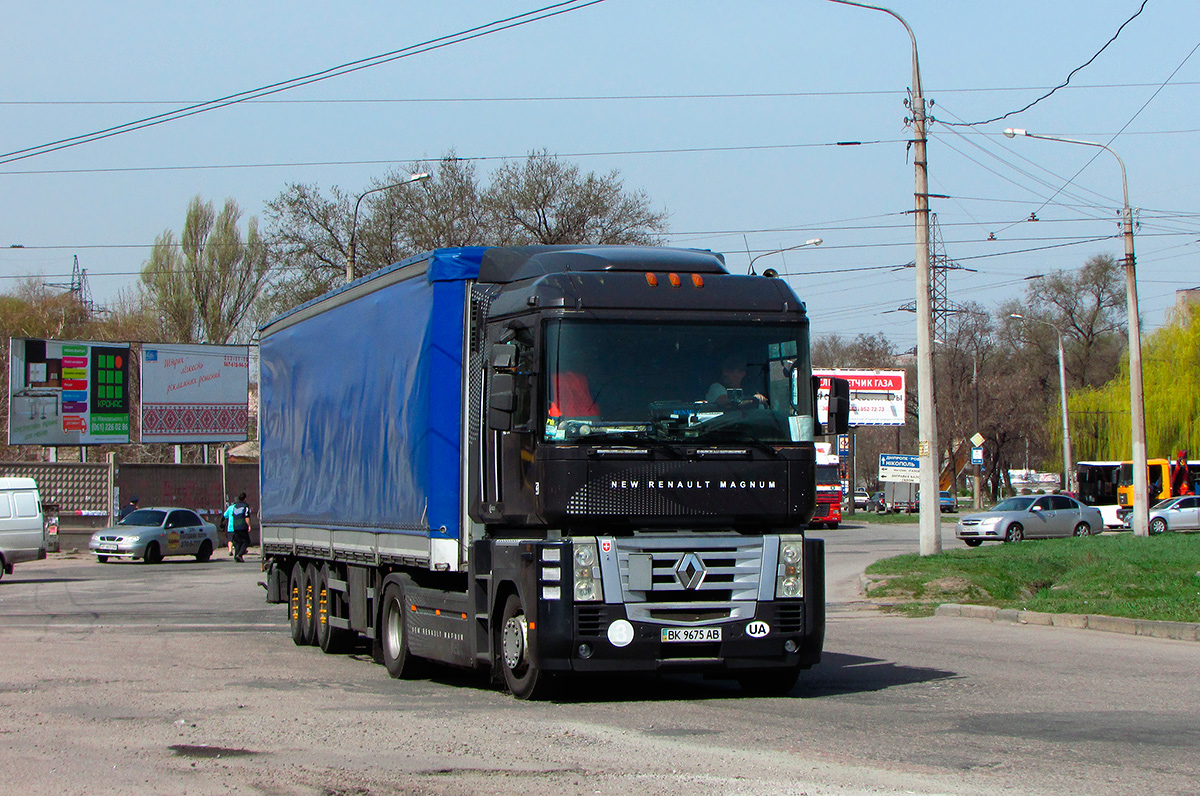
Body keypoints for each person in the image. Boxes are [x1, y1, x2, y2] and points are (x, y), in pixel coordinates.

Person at [224, 493, 254, 562]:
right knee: (247, 541)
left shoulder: (235, 506)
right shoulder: (245, 506)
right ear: (245, 499)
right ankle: (240, 554)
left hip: (235, 526)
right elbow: (246, 517)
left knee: (238, 542)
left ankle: (236, 556)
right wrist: (249, 525)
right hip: (243, 526)